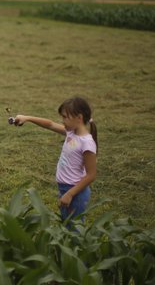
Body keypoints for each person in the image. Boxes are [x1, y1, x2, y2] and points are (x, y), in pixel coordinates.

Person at [13, 96, 98, 225]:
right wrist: (27, 118)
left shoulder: (87, 144)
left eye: (65, 117)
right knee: (66, 225)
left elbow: (91, 175)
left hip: (75, 192)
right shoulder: (72, 132)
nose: (62, 121)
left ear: (79, 118)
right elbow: (50, 124)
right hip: (65, 188)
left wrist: (70, 194)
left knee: (74, 230)